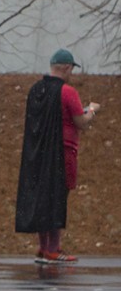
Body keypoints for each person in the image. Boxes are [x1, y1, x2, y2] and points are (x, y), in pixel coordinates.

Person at [15, 48, 101, 263]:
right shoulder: (67, 92)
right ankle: (54, 249)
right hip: (63, 151)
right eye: (71, 67)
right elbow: (80, 122)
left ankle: (43, 248)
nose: (71, 71)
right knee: (57, 197)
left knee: (41, 197)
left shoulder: (36, 90)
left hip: (37, 154)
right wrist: (91, 110)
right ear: (65, 67)